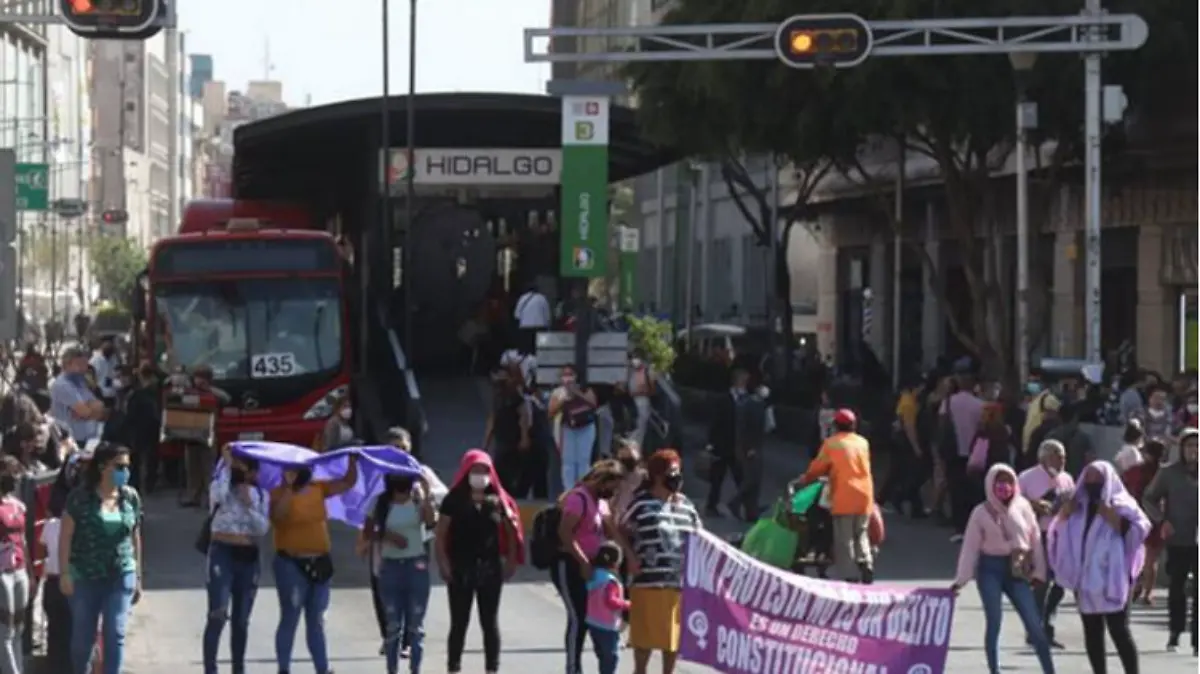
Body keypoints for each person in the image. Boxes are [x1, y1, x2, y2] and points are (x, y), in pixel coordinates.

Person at [1048, 460, 1150, 673]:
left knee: (1119, 630)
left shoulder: (1122, 503)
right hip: (1085, 578)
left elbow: (1141, 529)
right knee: (1092, 631)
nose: (1093, 484)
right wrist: (1065, 515)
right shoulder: (1078, 506)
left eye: (1098, 480)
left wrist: (1114, 518)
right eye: (1089, 479)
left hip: (1114, 577)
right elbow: (1058, 532)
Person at [952, 464, 1054, 674]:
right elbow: (970, 548)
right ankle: (994, 670)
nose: (1005, 487)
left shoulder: (1023, 506)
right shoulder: (980, 512)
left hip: (1017, 568)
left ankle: (1049, 670)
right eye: (1000, 482)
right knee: (995, 620)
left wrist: (1039, 573)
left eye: (1009, 481)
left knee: (1034, 624)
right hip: (990, 568)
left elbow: (1035, 540)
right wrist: (961, 579)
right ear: (990, 485)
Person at [269, 453, 360, 674]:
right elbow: (278, 517)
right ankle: (283, 668)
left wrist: (353, 460)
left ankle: (323, 668)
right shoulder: (278, 493)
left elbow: (347, 483)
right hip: (291, 563)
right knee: (290, 616)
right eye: (288, 471)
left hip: (320, 562)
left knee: (317, 619)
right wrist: (289, 489)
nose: (292, 475)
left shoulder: (318, 488)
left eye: (296, 471)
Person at [434, 450, 523, 674]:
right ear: (466, 472)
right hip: (460, 568)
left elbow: (512, 533)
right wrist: (444, 564)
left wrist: (511, 560)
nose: (480, 475)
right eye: (475, 471)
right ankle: (453, 667)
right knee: (459, 622)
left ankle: (492, 668)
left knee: (489, 622)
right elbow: (441, 534)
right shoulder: (453, 500)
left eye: (484, 471)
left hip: (490, 569)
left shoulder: (499, 501)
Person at [58, 442, 143, 674]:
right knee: (82, 641)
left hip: (120, 573)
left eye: (127, 466)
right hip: (85, 575)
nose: (125, 471)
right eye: (120, 466)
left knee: (115, 632)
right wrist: (65, 572)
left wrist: (138, 575)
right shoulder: (80, 498)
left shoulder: (130, 498)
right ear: (103, 466)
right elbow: (65, 536)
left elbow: (135, 536)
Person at [619, 450, 700, 674]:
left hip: (678, 583)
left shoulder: (687, 506)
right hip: (648, 581)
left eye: (678, 472)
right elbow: (619, 529)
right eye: (671, 473)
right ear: (657, 476)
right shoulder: (641, 505)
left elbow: (700, 538)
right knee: (644, 642)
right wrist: (630, 556)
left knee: (672, 641)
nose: (676, 478)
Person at [552, 459, 627, 674]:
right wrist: (583, 561)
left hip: (594, 567)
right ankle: (573, 668)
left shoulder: (600, 503)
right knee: (578, 617)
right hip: (571, 564)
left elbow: (609, 530)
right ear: (603, 481)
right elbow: (565, 533)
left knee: (593, 617)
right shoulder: (578, 499)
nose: (614, 492)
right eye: (613, 487)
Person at [202, 444, 270, 674]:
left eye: (245, 469)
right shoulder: (220, 488)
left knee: (241, 620)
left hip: (248, 556)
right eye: (237, 468)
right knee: (218, 613)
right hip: (223, 551)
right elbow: (217, 495)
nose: (241, 473)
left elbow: (262, 529)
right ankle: (210, 668)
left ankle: (238, 668)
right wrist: (227, 466)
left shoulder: (260, 495)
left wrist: (249, 505)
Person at [364, 470, 436, 674]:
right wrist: (388, 536)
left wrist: (427, 490)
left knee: (416, 627)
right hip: (391, 567)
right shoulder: (380, 503)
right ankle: (392, 669)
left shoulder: (417, 499)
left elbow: (431, 523)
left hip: (416, 566)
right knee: (393, 627)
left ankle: (415, 669)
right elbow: (369, 530)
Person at [797, 408, 876, 583]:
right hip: (865, 494)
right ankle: (866, 561)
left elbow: (818, 467)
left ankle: (850, 574)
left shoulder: (831, 443)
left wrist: (806, 478)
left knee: (844, 536)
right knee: (861, 532)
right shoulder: (863, 442)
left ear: (835, 425)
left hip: (844, 495)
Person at [1141, 428, 1198, 654]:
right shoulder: (1168, 473)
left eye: (1197, 446)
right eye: (1189, 446)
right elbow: (1149, 498)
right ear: (1181, 449)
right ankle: (1175, 633)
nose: (1194, 451)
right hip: (1178, 538)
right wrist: (1162, 521)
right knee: (1177, 588)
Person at [1017, 439, 1075, 649]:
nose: (1061, 461)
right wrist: (1034, 504)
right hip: (1037, 534)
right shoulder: (1026, 477)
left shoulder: (1067, 479)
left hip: (1061, 534)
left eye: (1063, 457)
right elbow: (1012, 503)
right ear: (1043, 457)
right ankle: (1036, 629)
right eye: (1056, 456)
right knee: (1041, 582)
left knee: (1061, 583)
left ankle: (1047, 621)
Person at [1122, 439, 1167, 607]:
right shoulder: (1165, 472)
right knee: (1151, 558)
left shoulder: (1137, 471)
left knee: (1137, 554)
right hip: (1157, 517)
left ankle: (1138, 585)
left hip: (1139, 517)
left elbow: (1124, 486)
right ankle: (1146, 592)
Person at [484, 369, 537, 497]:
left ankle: (514, 496)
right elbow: (492, 418)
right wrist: (486, 443)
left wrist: (524, 437)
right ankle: (502, 494)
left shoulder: (514, 396)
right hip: (501, 439)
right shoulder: (497, 397)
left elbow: (523, 416)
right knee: (499, 470)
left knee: (513, 472)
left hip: (514, 440)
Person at [40, 464, 72, 674]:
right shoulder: (79, 526)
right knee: (73, 633)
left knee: (55, 633)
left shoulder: (49, 525)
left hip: (52, 583)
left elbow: (43, 553)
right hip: (72, 583)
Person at [704, 368, 748, 518]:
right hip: (722, 446)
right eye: (743, 382)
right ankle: (711, 506)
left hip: (736, 447)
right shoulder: (724, 400)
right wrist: (710, 443)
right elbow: (715, 422)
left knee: (741, 478)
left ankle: (745, 505)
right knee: (717, 479)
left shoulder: (745, 400)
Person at [0, 456, 29, 674]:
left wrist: (30, 572)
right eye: (12, 473)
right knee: (5, 630)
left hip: (19, 570)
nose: (15, 478)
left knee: (19, 628)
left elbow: (24, 539)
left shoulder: (18, 505)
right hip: (2, 572)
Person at [549, 365, 599, 491]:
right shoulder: (558, 392)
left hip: (586, 427)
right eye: (564, 374)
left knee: (583, 461)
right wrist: (564, 400)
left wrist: (576, 393)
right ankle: (569, 491)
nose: (568, 378)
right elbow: (550, 412)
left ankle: (584, 490)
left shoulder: (585, 389)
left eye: (570, 374)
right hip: (567, 429)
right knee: (568, 462)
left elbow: (593, 404)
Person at [585, 541, 630, 674]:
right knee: (611, 657)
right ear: (616, 562)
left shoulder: (594, 576)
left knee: (602, 656)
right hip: (607, 625)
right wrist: (627, 604)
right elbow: (611, 601)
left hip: (593, 622)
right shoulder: (610, 581)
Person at [48, 347, 106, 444]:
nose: (83, 368)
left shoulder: (81, 382)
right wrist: (88, 409)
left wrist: (89, 410)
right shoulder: (63, 385)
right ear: (67, 365)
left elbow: (100, 408)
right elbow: (85, 412)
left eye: (85, 364)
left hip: (89, 438)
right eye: (79, 364)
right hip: (71, 441)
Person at [626, 353, 655, 447]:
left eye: (636, 357)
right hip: (630, 403)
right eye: (633, 358)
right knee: (631, 430)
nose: (634, 361)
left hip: (642, 403)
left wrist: (641, 392)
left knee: (640, 430)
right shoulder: (630, 371)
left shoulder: (647, 372)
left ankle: (636, 451)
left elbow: (652, 390)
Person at [513, 284, 551, 355]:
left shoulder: (522, 298)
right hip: (540, 327)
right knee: (539, 350)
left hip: (525, 328)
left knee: (526, 351)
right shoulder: (542, 298)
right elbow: (547, 315)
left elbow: (517, 315)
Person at [89, 338, 121, 407]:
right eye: (107, 355)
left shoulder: (113, 358)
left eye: (110, 355)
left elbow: (116, 372)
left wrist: (117, 378)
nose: (109, 357)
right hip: (99, 392)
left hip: (110, 392)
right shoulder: (95, 360)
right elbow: (90, 375)